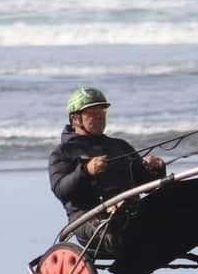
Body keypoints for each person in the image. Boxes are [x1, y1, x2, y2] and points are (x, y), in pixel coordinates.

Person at [47, 87, 168, 244]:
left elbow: (145, 184)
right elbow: (61, 190)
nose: (99, 117)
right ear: (75, 118)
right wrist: (86, 171)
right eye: (92, 113)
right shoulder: (63, 152)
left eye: (102, 113)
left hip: (130, 212)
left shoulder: (120, 146)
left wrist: (156, 170)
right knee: (117, 234)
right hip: (88, 219)